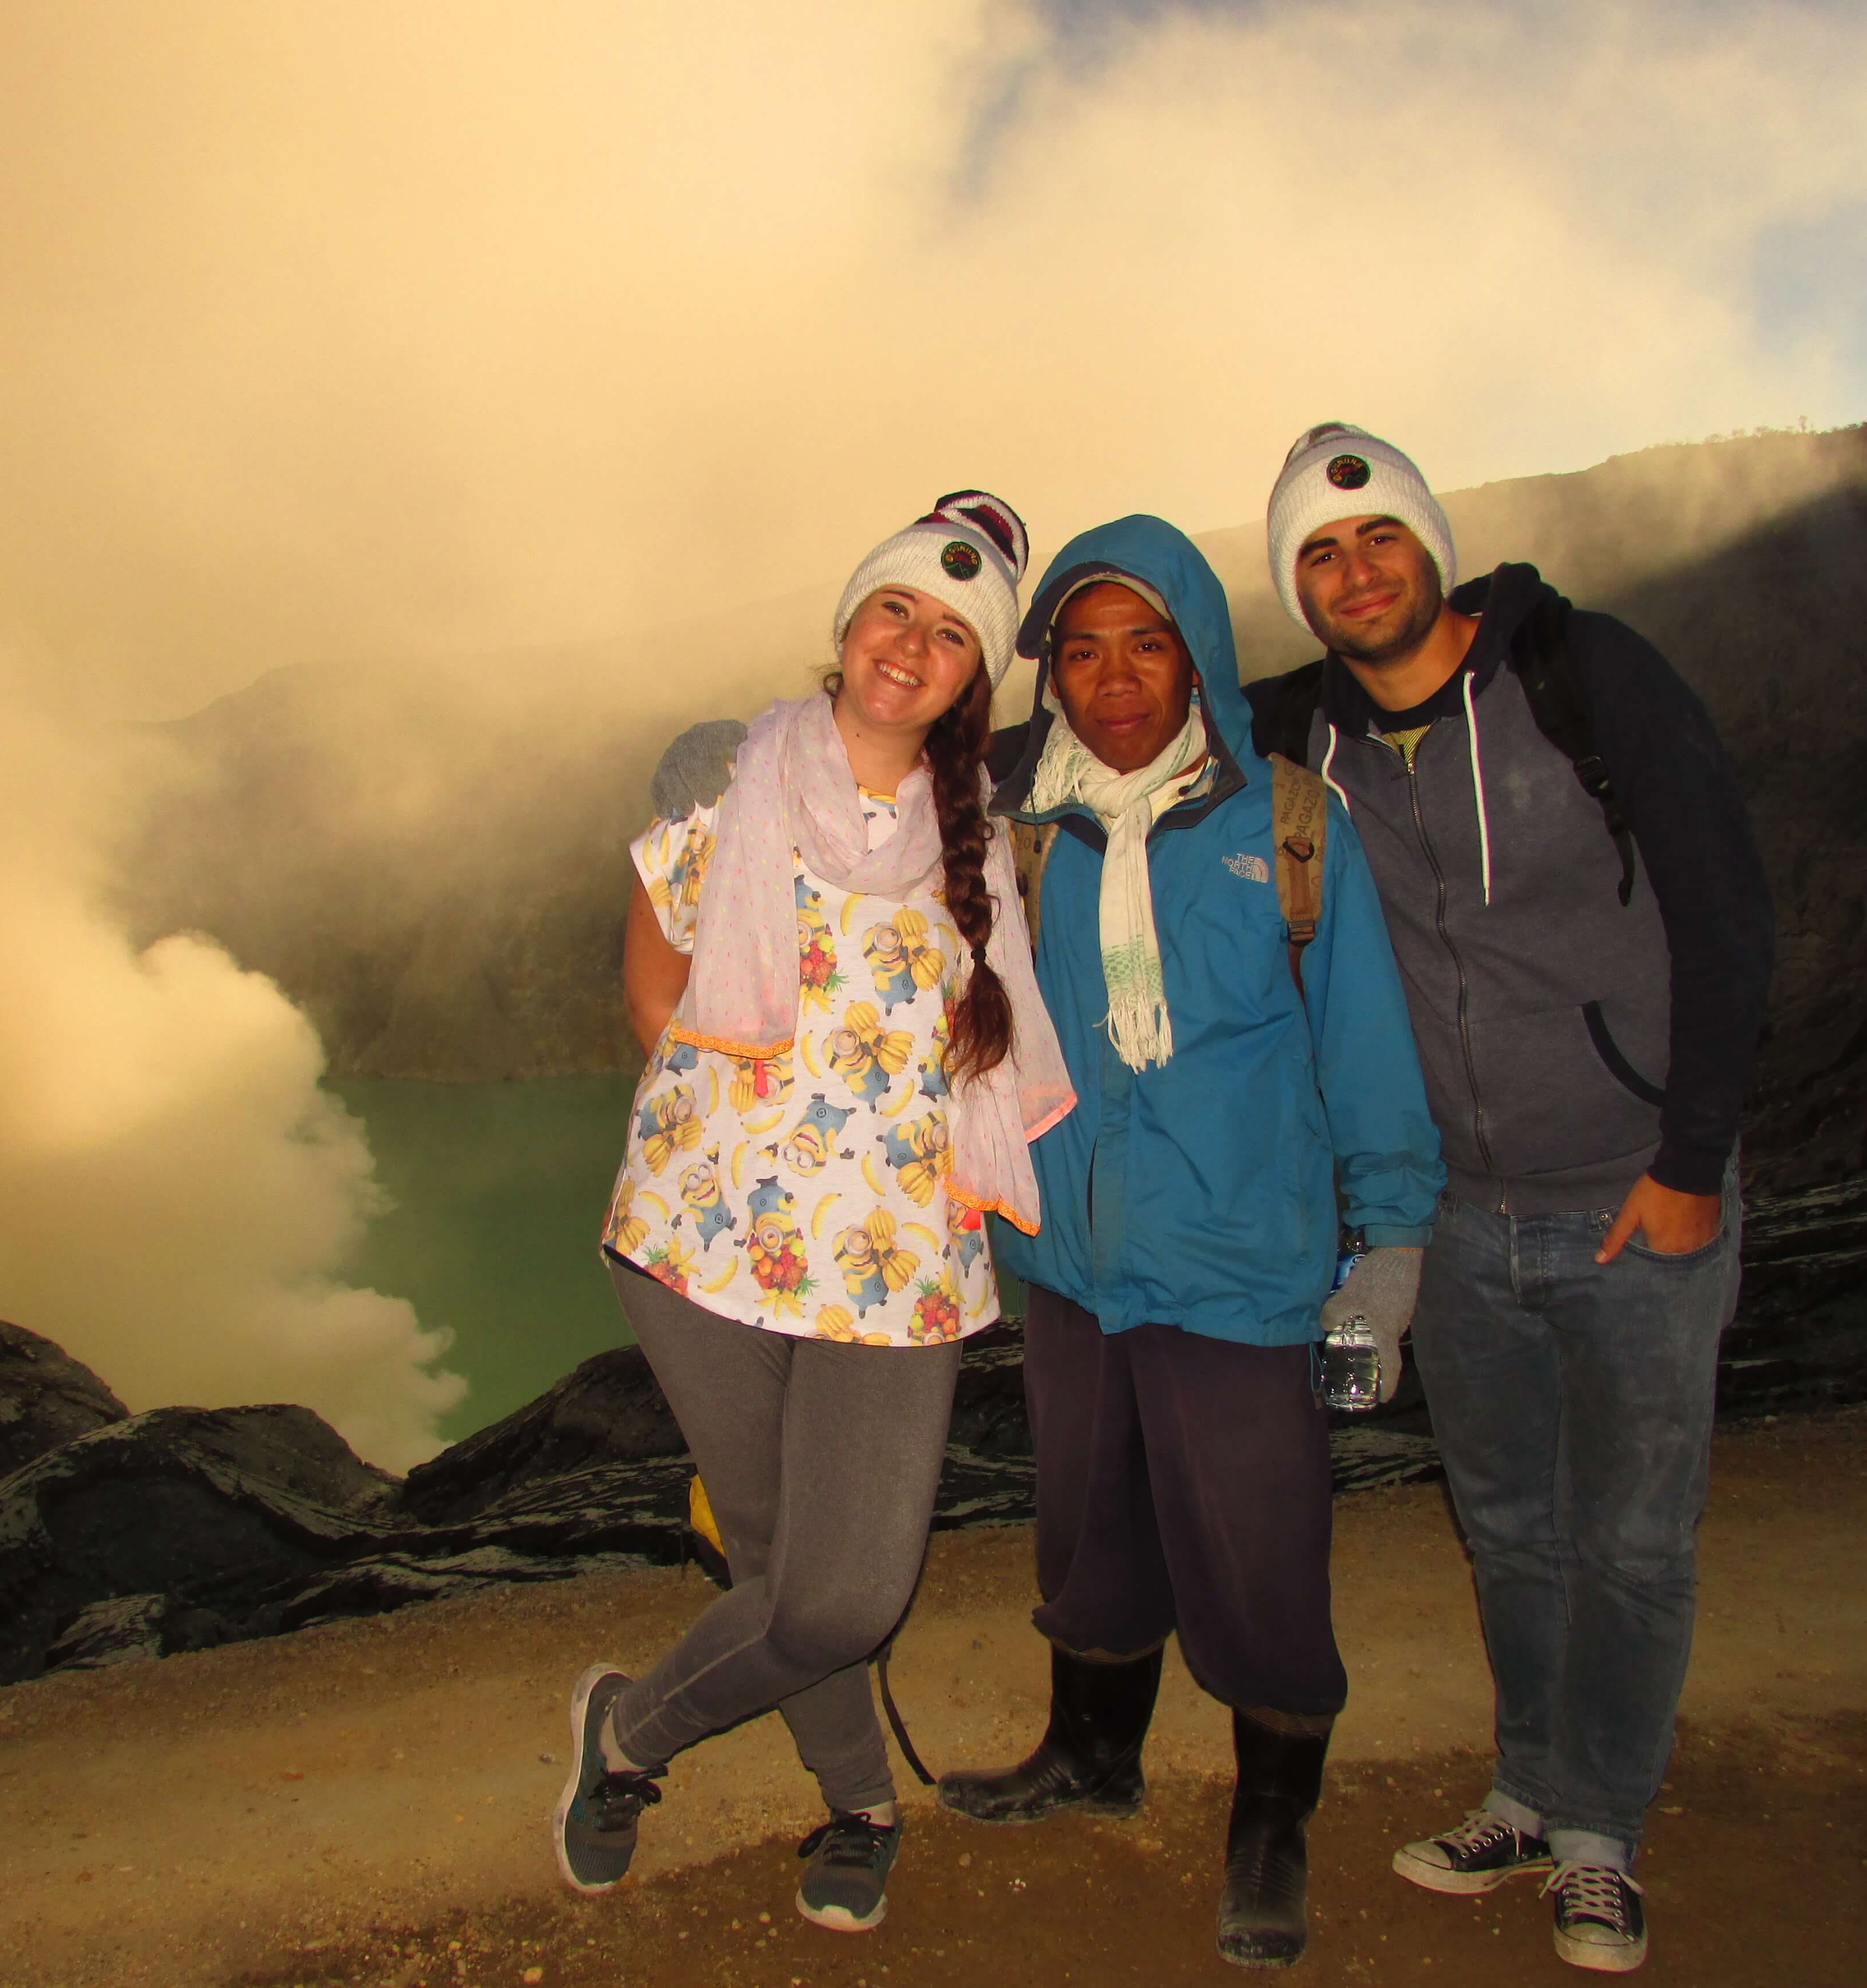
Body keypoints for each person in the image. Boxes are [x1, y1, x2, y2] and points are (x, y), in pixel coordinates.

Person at [1249, 426, 1775, 1974]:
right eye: (1319, 557)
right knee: (1513, 1529)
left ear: (1431, 542)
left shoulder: (1585, 676)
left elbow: (1726, 912)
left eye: (1377, 539)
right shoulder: (1302, 735)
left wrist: (1690, 1165)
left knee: (1632, 1541)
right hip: (1457, 1220)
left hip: (1634, 1198)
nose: (1355, 572)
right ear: (1300, 589)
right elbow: (1117, 718)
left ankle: (1602, 1827)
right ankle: (1528, 1789)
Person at [557, 493, 1075, 1936]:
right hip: (706, 1246)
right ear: (850, 625)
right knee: (786, 1565)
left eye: (953, 635)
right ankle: (859, 1805)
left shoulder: (971, 831)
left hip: (900, 1263)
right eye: (896, 610)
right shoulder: (736, 779)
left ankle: (628, 1732)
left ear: (975, 679)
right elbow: (657, 990)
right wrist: (745, 1140)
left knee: (841, 1596)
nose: (914, 646)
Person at [937, 514, 1444, 1969]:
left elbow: (1361, 1044)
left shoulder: (1287, 827)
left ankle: (1271, 1824)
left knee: (1260, 1550)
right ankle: (1089, 1756)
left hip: (1244, 1269)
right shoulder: (1019, 832)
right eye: (1081, 651)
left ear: (1199, 655)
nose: (1110, 679)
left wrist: (1389, 1249)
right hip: (1077, 1267)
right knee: (1090, 1527)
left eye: (1145, 644)